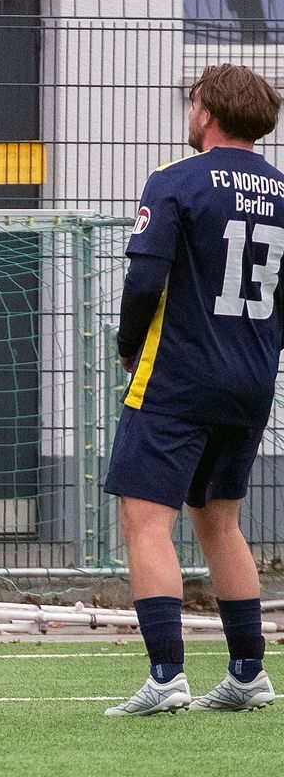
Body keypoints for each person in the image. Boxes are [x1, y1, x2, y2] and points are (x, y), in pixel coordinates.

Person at [102, 64, 282, 715]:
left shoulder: (175, 181)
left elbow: (145, 280)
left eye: (193, 101)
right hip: (252, 379)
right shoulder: (283, 192)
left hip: (178, 375)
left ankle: (165, 676)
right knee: (221, 519)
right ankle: (248, 675)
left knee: (145, 519)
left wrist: (128, 346)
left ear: (206, 112)